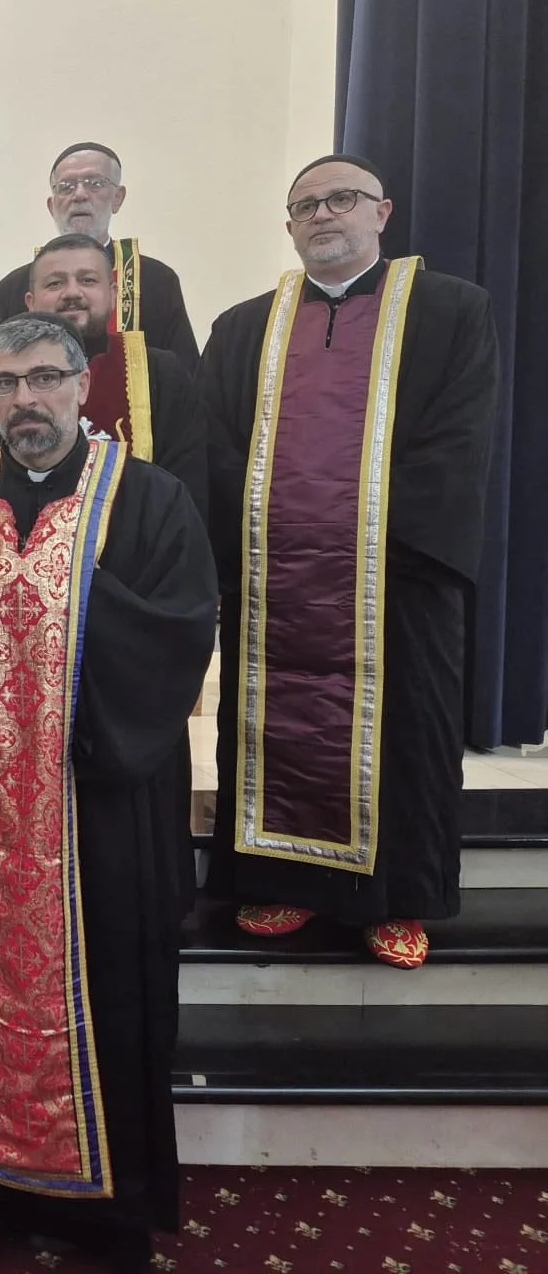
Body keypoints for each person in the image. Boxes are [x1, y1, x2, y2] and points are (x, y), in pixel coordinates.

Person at [0, 313, 217, 1274]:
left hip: (98, 809)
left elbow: (179, 625)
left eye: (41, 379)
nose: (23, 401)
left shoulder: (148, 501)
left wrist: (49, 611)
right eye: (3, 385)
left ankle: (107, 1206)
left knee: (111, 988)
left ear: (81, 385)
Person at [201, 154, 500, 969]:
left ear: (381, 211)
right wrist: (271, 530)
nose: (322, 215)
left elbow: (457, 442)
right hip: (275, 578)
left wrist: (359, 528)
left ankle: (398, 897)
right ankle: (279, 879)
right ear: (288, 224)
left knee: (403, 734)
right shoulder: (241, 329)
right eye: (304, 205)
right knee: (271, 724)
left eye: (341, 199)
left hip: (395, 578)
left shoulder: (449, 312)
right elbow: (218, 450)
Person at [0, 233, 206, 516]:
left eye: (88, 280)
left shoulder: (161, 374)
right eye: (55, 283)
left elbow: (188, 485)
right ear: (31, 301)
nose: (72, 292)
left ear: (113, 294)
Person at [0, 143, 199, 370]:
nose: (79, 195)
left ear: (118, 197)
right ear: (51, 205)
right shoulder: (14, 286)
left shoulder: (156, 281)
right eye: (66, 187)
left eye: (95, 184)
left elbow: (184, 378)